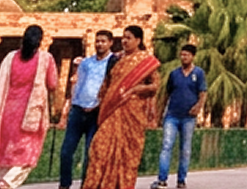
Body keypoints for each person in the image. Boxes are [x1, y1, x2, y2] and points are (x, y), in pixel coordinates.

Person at [0, 24, 61, 189]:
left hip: (7, 110)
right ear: (40, 41)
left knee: (6, 152)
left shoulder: (10, 57)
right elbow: (52, 84)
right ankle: (7, 183)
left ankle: (1, 182)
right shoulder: (45, 58)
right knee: (27, 155)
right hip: (30, 113)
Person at [84, 26, 162, 189]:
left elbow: (155, 86)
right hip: (112, 110)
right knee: (99, 147)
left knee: (127, 153)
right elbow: (107, 83)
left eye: (129, 38)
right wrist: (99, 101)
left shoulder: (145, 61)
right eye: (123, 38)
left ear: (138, 41)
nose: (124, 41)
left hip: (132, 112)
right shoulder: (116, 59)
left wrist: (136, 89)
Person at [59, 30, 117, 189]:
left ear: (110, 43)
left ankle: (86, 184)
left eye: (103, 41)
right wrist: (69, 108)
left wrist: (100, 105)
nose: (100, 44)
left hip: (97, 111)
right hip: (78, 109)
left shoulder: (113, 62)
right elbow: (77, 86)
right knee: (66, 151)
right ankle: (64, 184)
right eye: (97, 41)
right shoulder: (86, 63)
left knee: (90, 154)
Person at [156, 43, 206, 189]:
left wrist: (198, 107)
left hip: (188, 117)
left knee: (185, 149)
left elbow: (203, 93)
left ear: (192, 56)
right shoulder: (174, 74)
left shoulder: (199, 73)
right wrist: (160, 113)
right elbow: (167, 94)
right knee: (166, 146)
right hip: (172, 115)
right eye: (182, 55)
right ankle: (162, 179)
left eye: (186, 55)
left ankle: (181, 180)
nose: (183, 58)